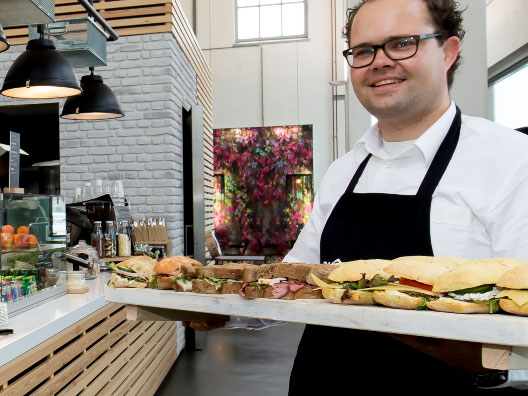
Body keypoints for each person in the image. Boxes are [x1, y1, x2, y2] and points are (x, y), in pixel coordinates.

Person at [186, 0, 528, 393]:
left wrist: (492, 362)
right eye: (364, 50)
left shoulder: (511, 162)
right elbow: (299, 276)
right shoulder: (344, 170)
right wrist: (220, 306)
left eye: (403, 43)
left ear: (448, 52)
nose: (380, 62)